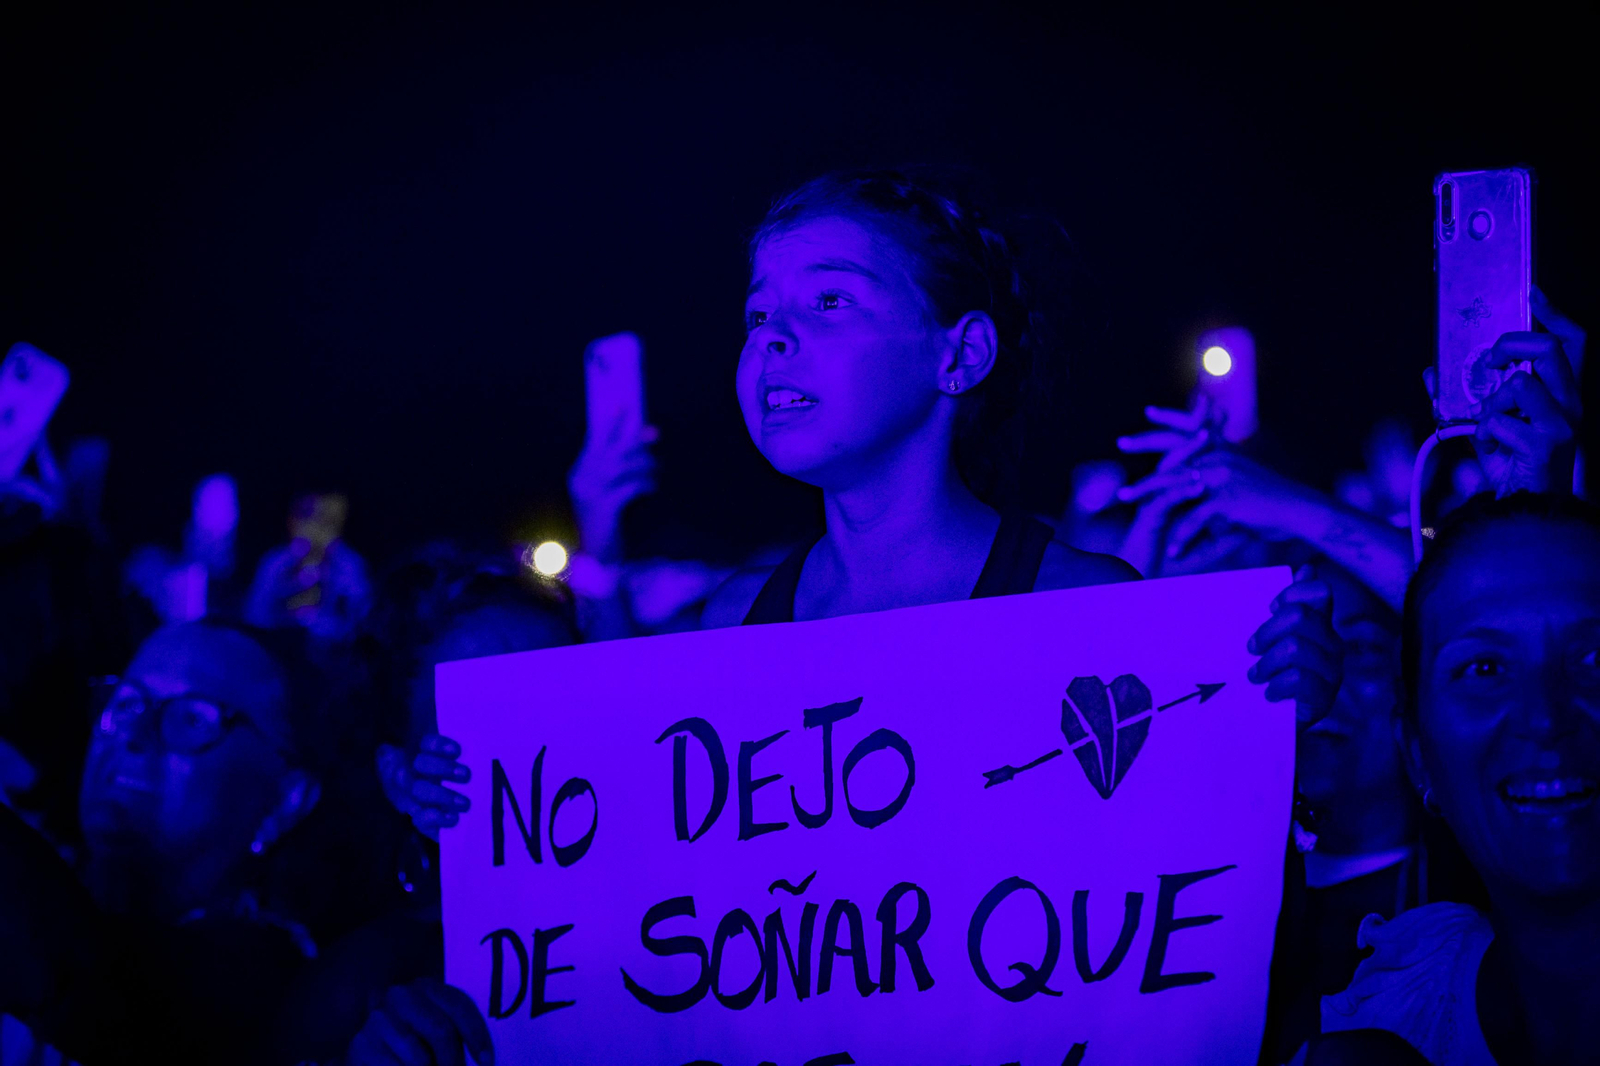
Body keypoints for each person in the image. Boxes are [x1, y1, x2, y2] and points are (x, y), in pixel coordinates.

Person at [406, 169, 1345, 835]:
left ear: (959, 355)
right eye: (759, 315)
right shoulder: (732, 623)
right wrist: (470, 798)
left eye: (829, 303)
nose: (774, 339)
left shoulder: (1084, 605)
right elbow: (633, 839)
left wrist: (1262, 720)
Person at [0, 620, 423, 1064]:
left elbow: (96, 977)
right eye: (124, 704)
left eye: (191, 718)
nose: (133, 735)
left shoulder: (273, 986)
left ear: (287, 799)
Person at [1314, 493, 1600, 1065]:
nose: (1545, 719)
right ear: (1418, 753)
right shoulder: (1392, 1010)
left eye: (1596, 658)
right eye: (1484, 668)